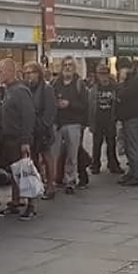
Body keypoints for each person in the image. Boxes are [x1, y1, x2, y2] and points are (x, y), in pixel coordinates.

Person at [0, 59, 38, 220]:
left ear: (10, 71)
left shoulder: (21, 91)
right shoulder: (8, 90)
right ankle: (15, 201)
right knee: (15, 172)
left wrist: (25, 140)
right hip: (9, 138)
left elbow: (28, 116)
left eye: (1, 71)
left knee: (25, 172)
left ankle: (31, 204)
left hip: (19, 138)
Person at [50, 57, 88, 194]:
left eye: (70, 65)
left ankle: (70, 180)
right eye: (65, 65)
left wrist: (69, 104)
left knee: (72, 154)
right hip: (58, 123)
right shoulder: (55, 83)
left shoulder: (79, 84)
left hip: (73, 123)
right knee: (54, 154)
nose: (67, 67)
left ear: (74, 67)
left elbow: (85, 105)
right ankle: (53, 179)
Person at [25, 62, 57, 201]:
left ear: (38, 73)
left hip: (43, 128)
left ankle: (51, 185)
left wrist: (44, 125)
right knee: (33, 158)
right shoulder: (26, 88)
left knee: (47, 156)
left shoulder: (46, 88)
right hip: (31, 128)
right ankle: (39, 183)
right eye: (26, 73)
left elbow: (50, 110)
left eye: (31, 72)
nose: (29, 75)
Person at [116, 56, 138, 187]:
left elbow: (122, 95)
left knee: (133, 146)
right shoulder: (133, 80)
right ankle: (133, 171)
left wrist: (122, 81)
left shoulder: (136, 81)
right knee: (129, 146)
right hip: (126, 117)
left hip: (132, 117)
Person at [88, 63, 122, 175]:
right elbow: (90, 105)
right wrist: (90, 122)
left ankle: (113, 164)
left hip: (110, 119)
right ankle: (95, 164)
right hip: (98, 120)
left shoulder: (114, 87)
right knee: (96, 144)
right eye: (100, 74)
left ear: (108, 74)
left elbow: (120, 102)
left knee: (111, 143)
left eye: (105, 73)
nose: (103, 76)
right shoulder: (94, 89)